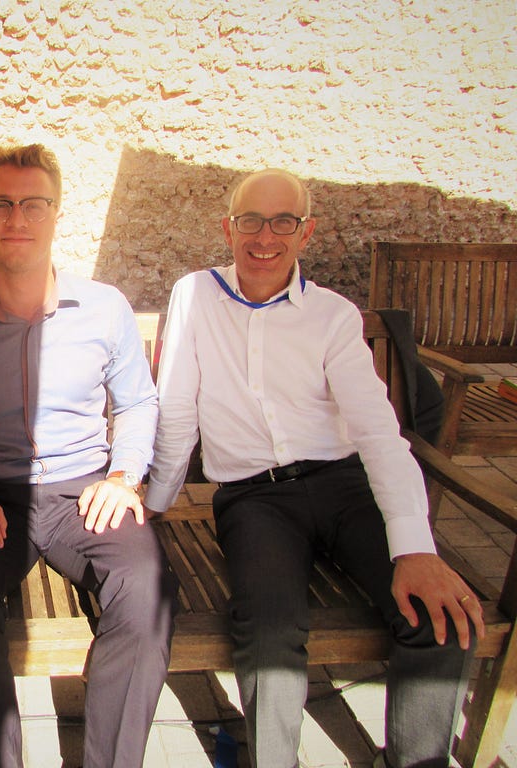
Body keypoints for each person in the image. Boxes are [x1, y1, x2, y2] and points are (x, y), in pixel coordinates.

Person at [143, 168, 485, 768]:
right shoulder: (195, 295)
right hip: (254, 501)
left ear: (307, 232)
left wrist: (417, 548)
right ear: (229, 227)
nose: (264, 236)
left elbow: (380, 432)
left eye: (284, 221)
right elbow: (175, 410)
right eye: (250, 220)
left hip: (343, 484)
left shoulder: (332, 316)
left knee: (439, 617)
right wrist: (156, 507)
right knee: (270, 637)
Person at [0, 143, 178, 768]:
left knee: (148, 589)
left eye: (33, 204)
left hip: (87, 493)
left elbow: (137, 404)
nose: (16, 218)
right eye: (0, 203)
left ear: (56, 214)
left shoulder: (104, 309)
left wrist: (124, 476)